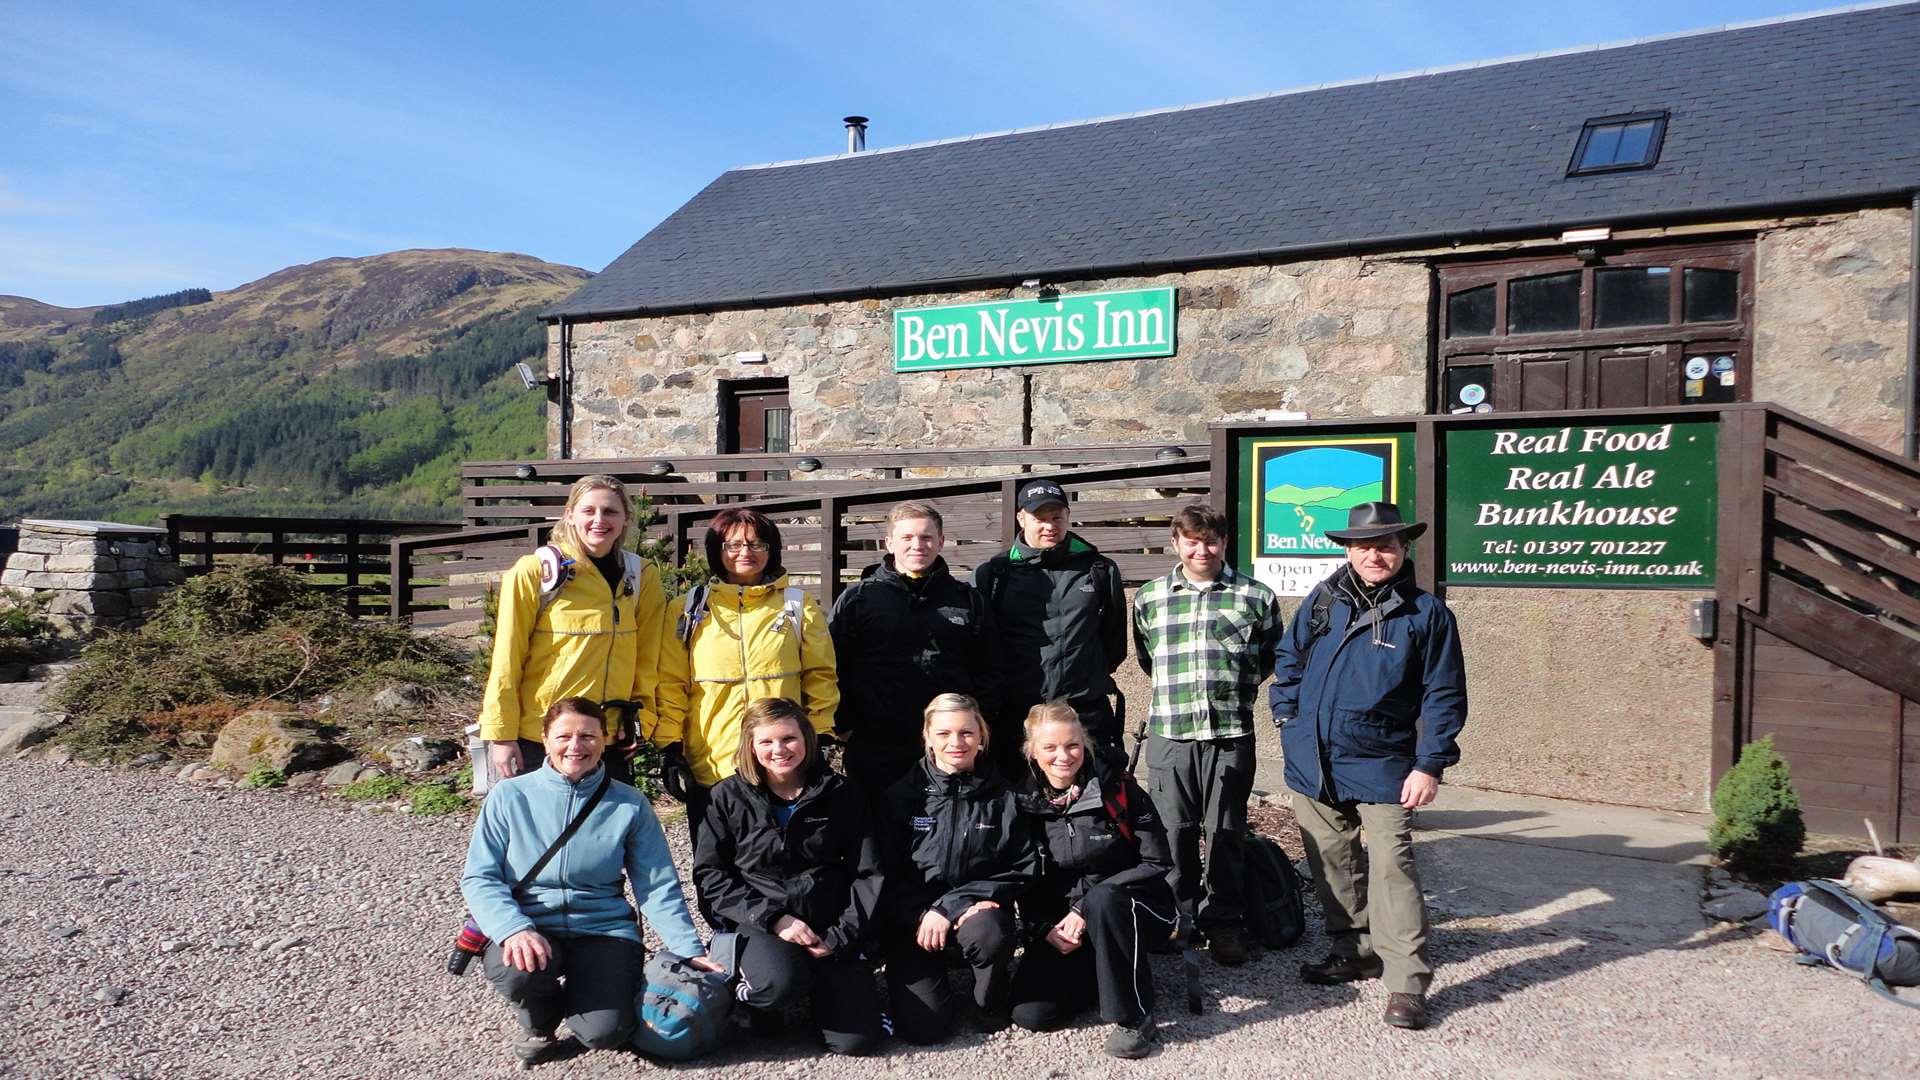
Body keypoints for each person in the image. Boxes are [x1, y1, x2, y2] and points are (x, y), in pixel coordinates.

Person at [1267, 502, 1468, 1031]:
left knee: (1392, 869)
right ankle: (1355, 950)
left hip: (1385, 764)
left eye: (1385, 545)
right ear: (1348, 550)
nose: (1374, 555)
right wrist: (1287, 716)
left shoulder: (1427, 615)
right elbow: (1289, 658)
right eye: (1363, 546)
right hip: (1313, 761)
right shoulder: (1325, 600)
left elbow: (1443, 695)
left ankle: (1406, 982)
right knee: (1331, 862)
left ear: (1404, 550)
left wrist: (1429, 764)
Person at [460, 698, 719, 1067]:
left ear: (604, 740)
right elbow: (480, 877)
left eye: (588, 736)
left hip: (603, 929)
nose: (575, 746)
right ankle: (541, 1019)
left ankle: (587, 1000)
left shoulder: (629, 803)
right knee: (517, 970)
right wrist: (512, 928)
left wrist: (688, 948)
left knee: (604, 1033)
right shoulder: (509, 796)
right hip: (531, 924)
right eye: (564, 736)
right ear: (545, 739)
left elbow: (657, 885)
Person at [691, 697, 887, 1056]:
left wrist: (842, 935)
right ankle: (754, 985)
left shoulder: (842, 793)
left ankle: (818, 985)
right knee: (774, 986)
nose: (779, 750)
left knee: (855, 1042)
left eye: (788, 739)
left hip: (829, 925)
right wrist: (773, 919)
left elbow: (868, 872)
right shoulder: (726, 796)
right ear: (751, 746)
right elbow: (711, 875)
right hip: (763, 921)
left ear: (807, 739)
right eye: (766, 742)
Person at [1131, 503, 1283, 967]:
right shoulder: (1150, 598)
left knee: (1226, 833)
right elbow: (1147, 659)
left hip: (1230, 733)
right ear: (1175, 543)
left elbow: (1269, 658)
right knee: (1171, 834)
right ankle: (1178, 918)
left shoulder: (1255, 597)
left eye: (1211, 540)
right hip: (1171, 734)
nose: (1203, 549)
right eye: (1192, 541)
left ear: (1224, 544)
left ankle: (1224, 922)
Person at [655, 507, 838, 851]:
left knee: (787, 862)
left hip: (781, 763)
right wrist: (670, 745)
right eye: (733, 545)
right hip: (713, 762)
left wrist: (821, 733)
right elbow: (670, 681)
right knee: (716, 867)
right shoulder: (689, 608)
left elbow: (821, 676)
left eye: (757, 544)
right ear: (716, 551)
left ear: (772, 550)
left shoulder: (797, 606)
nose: (745, 553)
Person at [1009, 703, 1176, 1059]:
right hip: (1063, 924)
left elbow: (1157, 861)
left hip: (1135, 908)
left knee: (1103, 899)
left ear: (1084, 744)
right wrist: (1043, 931)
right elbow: (1023, 880)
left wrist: (1086, 906)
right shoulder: (1022, 803)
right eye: (1050, 748)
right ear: (1032, 752)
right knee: (1032, 1014)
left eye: (1072, 745)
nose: (1063, 756)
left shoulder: (1118, 789)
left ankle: (1134, 1015)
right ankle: (1104, 975)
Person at [478, 474, 665, 783]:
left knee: (606, 831)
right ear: (570, 514)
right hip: (543, 736)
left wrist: (640, 720)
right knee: (542, 831)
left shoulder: (642, 576)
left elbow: (648, 661)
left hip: (610, 736)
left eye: (610, 512)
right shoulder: (535, 572)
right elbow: (506, 660)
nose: (599, 520)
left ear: (626, 519)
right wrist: (501, 735)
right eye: (588, 511)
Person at [875, 693, 1037, 1044]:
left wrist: (955, 906)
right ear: (927, 737)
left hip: (975, 915)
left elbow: (1023, 866)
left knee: (990, 932)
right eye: (944, 733)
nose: (956, 742)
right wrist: (923, 913)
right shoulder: (900, 797)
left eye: (966, 732)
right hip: (914, 920)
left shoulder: (1005, 798)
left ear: (982, 737)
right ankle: (934, 976)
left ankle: (988, 1000)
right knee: (923, 1030)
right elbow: (882, 873)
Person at [829, 500, 1002, 795]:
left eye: (926, 537)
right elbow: (833, 665)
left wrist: (977, 724)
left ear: (941, 541)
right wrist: (844, 726)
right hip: (876, 742)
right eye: (907, 537)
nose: (917, 545)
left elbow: (991, 668)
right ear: (889, 542)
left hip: (947, 744)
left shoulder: (967, 600)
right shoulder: (858, 599)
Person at [972, 478, 1128, 771]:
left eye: (1057, 517)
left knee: (1092, 803)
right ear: (1021, 518)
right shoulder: (994, 574)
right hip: (1018, 712)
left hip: (1084, 710)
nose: (1050, 526)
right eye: (1039, 519)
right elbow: (982, 645)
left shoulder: (1099, 569)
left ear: (1068, 516)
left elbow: (1114, 640)